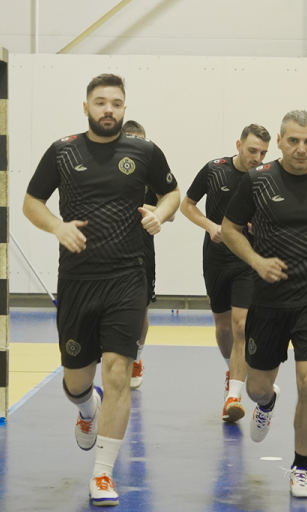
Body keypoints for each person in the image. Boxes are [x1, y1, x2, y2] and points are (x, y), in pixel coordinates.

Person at [22, 74, 180, 507]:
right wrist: (57, 226)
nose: (108, 109)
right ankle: (86, 410)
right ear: (86, 107)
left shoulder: (144, 152)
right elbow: (31, 202)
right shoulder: (62, 151)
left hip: (127, 276)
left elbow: (173, 193)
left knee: (117, 373)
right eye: (100, 102)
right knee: (77, 382)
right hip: (77, 280)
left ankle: (103, 474)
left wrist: (161, 214)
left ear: (124, 108)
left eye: (116, 103)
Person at [221, 110, 307, 498]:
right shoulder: (257, 181)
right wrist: (255, 261)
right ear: (280, 141)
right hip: (268, 298)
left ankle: (300, 467)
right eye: (294, 140)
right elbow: (230, 228)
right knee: (256, 387)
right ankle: (267, 402)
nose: (302, 148)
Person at [179, 124, 271, 422]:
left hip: (248, 259)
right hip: (217, 259)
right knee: (223, 329)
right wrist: (209, 226)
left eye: (263, 153)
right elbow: (187, 205)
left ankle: (234, 394)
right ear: (239, 145)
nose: (258, 157)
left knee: (241, 326)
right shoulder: (214, 170)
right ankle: (233, 371)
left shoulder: (266, 176)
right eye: (252, 150)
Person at [120, 120, 172, 389]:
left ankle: (137, 358)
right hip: (109, 249)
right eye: (130, 138)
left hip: (141, 250)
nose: (135, 143)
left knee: (140, 308)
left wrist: (139, 207)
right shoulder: (110, 168)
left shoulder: (149, 170)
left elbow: (171, 211)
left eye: (139, 139)